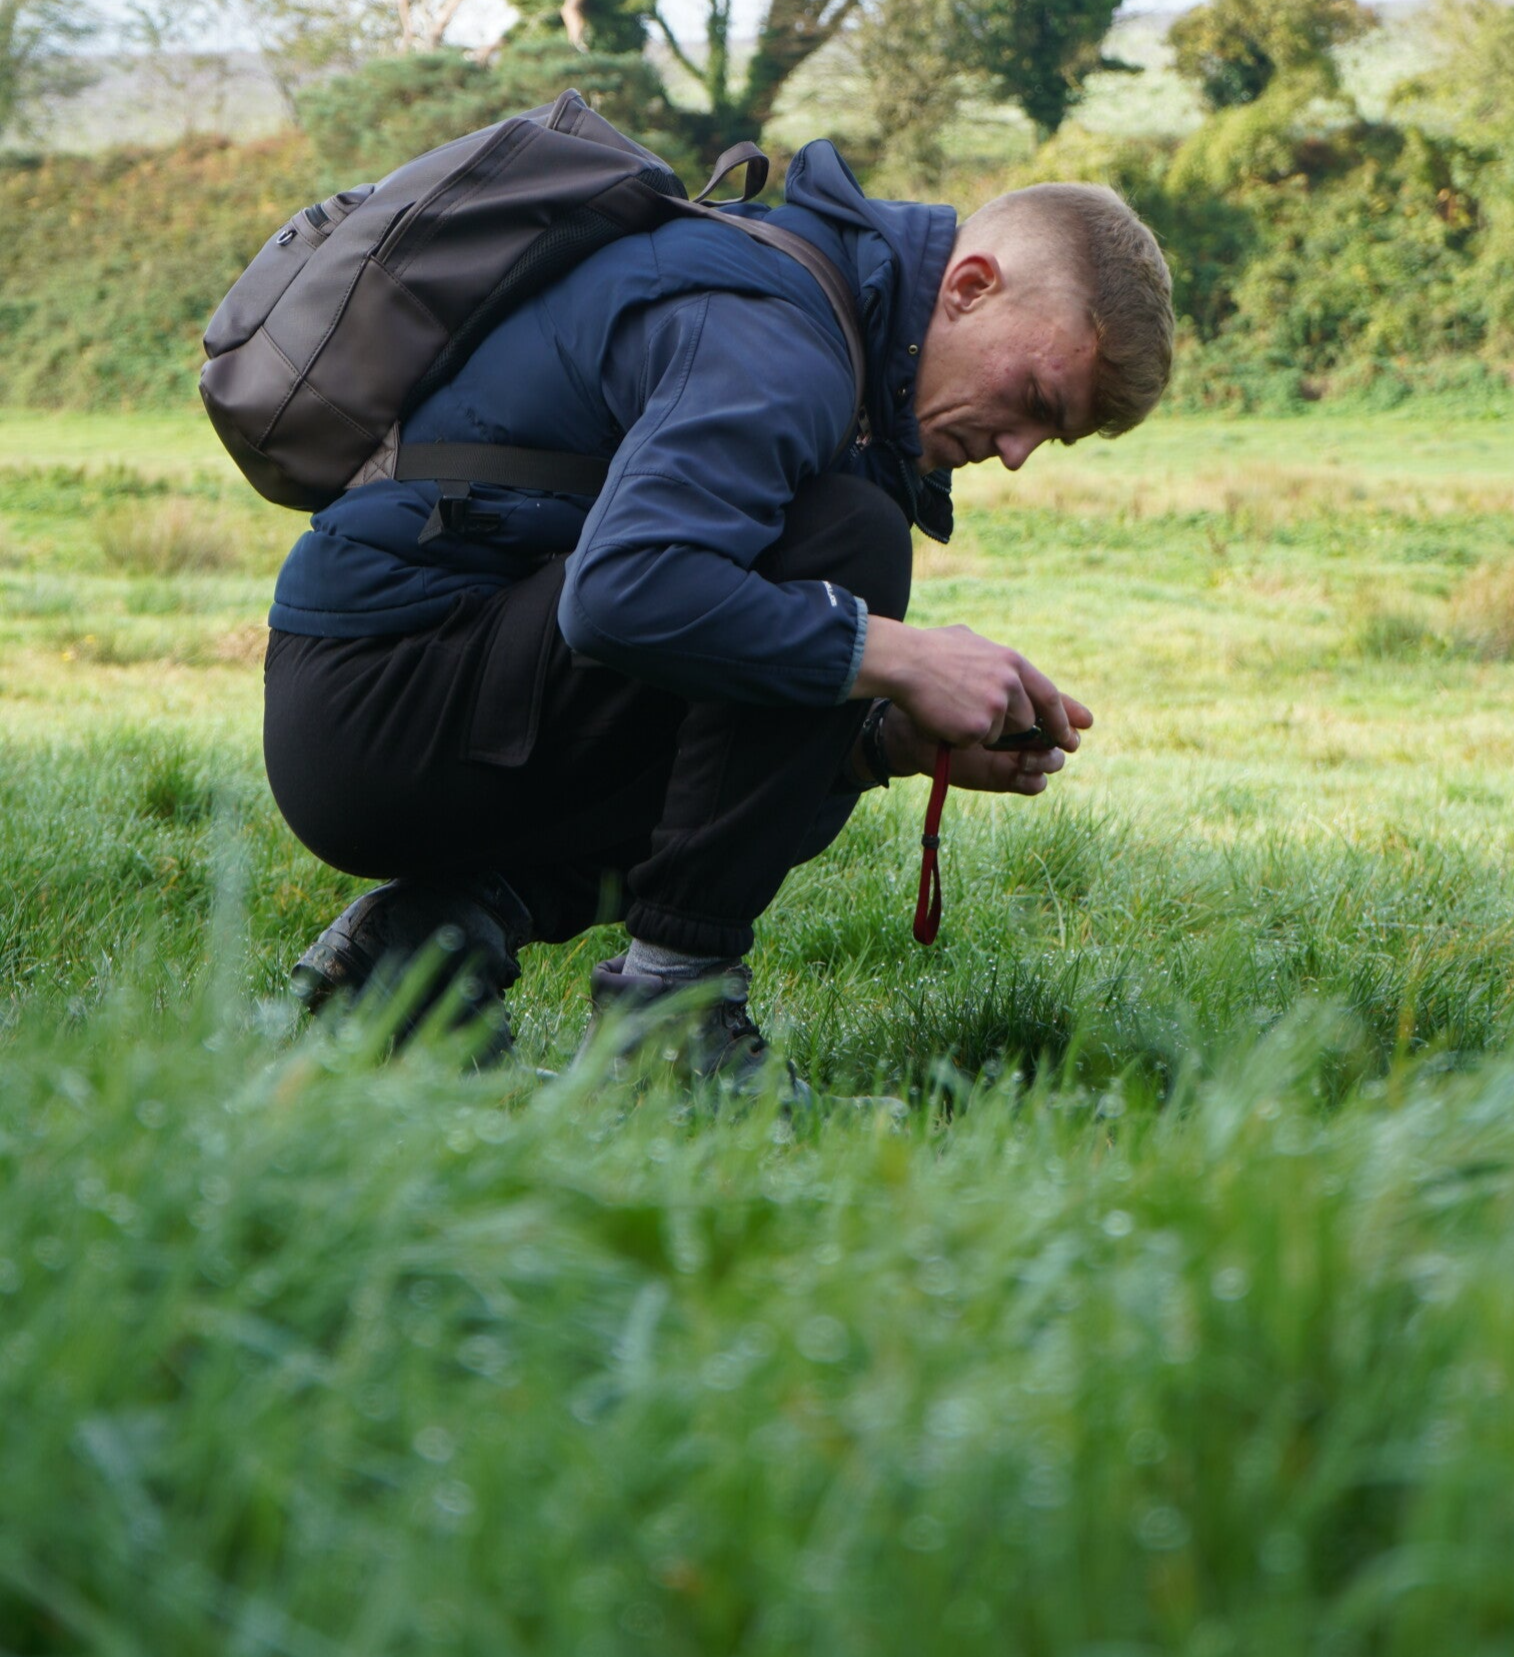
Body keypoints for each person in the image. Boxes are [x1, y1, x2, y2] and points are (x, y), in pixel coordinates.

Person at [263, 138, 1174, 1076]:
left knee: (815, 653)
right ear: (971, 286)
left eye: (1052, 437)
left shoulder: (836, 344)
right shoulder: (777, 339)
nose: (1017, 454)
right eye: (1035, 400)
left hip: (396, 697)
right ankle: (669, 1029)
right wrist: (901, 656)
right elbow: (621, 594)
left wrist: (885, 739)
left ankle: (420, 948)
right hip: (378, 699)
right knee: (850, 544)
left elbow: (728, 715)